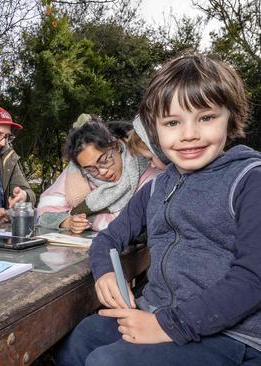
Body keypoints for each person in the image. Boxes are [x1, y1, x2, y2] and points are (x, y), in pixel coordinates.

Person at [56, 54, 261, 366]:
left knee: (108, 362)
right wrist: (106, 271)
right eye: (172, 122)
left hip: (232, 335)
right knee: (80, 339)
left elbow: (252, 280)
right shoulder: (155, 188)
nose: (189, 133)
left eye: (206, 118)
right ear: (155, 131)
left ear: (230, 117)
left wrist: (168, 326)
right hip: (158, 311)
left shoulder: (249, 180)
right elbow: (107, 239)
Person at [37, 116, 159, 233]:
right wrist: (66, 221)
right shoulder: (76, 174)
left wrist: (89, 220)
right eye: (91, 169)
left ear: (115, 145)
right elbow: (45, 211)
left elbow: (135, 222)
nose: (102, 172)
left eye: (104, 160)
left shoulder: (147, 166)